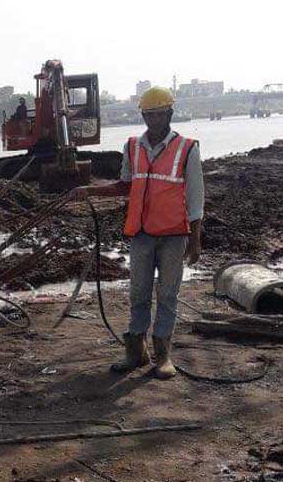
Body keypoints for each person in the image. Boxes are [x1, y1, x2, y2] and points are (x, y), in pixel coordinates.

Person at [70, 87, 204, 379]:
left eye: (160, 114)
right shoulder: (132, 147)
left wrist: (195, 239)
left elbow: (195, 199)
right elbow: (125, 186)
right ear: (143, 115)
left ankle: (163, 356)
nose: (154, 120)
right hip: (141, 235)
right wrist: (89, 190)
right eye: (149, 114)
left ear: (170, 113)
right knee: (138, 294)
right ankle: (136, 352)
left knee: (168, 294)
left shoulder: (187, 148)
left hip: (173, 235)